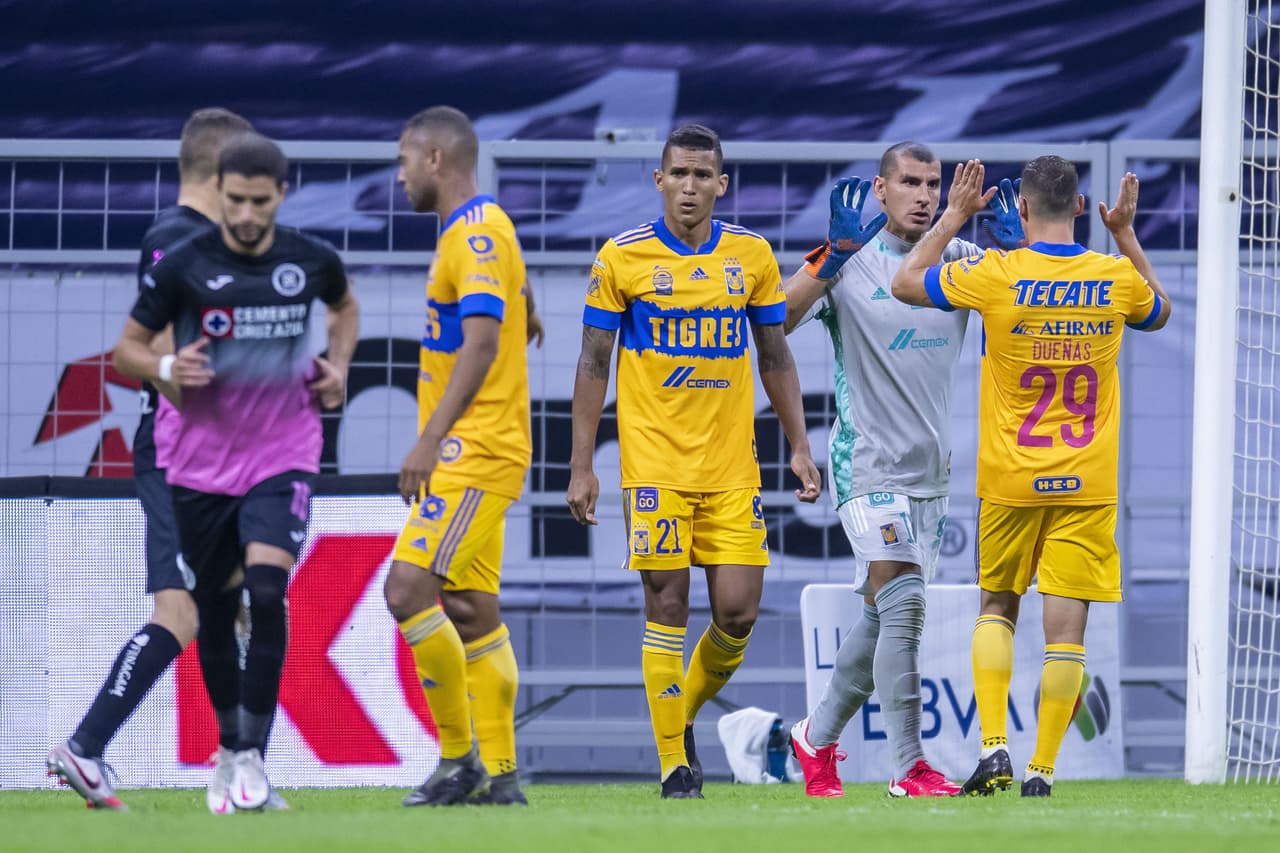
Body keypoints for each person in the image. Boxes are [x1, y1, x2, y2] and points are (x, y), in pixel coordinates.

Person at [891, 157, 1170, 797]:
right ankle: (1043, 770)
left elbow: (907, 281)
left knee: (997, 607)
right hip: (1086, 482)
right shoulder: (1112, 276)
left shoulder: (995, 274)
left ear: (1018, 210)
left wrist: (954, 215)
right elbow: (1160, 313)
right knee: (1066, 632)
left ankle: (994, 749)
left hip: (1012, 478)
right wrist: (1124, 233)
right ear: (1079, 207)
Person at [566, 124, 821, 799]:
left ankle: (672, 723)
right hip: (653, 466)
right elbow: (594, 363)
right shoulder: (622, 258)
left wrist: (798, 444)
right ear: (659, 179)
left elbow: (774, 355)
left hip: (733, 468)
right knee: (668, 602)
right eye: (678, 173)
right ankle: (675, 763)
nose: (689, 186)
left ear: (721, 184)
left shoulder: (752, 255)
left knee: (737, 613)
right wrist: (581, 465)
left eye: (702, 175)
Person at [104, 133, 358, 810]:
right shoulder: (182, 264)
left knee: (269, 591)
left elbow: (345, 306)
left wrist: (339, 362)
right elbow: (126, 349)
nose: (246, 214)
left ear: (282, 193)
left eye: (260, 201)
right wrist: (164, 367)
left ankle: (252, 754)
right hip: (198, 464)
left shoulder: (309, 260)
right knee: (216, 610)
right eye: (235, 199)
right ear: (220, 191)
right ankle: (231, 748)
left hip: (284, 452)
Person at [782, 142, 1025, 799]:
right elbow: (776, 317)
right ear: (880, 191)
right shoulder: (850, 260)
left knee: (884, 614)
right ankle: (910, 765)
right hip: (865, 463)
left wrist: (1018, 252)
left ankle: (814, 736)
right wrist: (829, 256)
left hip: (929, 474)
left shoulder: (964, 262)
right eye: (911, 183)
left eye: (934, 183)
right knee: (906, 600)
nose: (924, 195)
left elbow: (1026, 305)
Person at [44, 107, 267, 812]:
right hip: (178, 456)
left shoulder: (193, 240)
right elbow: (167, 358)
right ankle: (84, 747)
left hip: (206, 455)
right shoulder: (177, 239)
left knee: (228, 607)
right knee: (181, 612)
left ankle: (238, 766)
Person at [384, 105, 532, 807]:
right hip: (478, 447)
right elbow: (515, 303)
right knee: (472, 608)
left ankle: (458, 761)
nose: (401, 174)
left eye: (404, 160)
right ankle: (500, 776)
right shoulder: (485, 229)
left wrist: (426, 437)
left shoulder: (472, 233)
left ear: (435, 159)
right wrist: (526, 305)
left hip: (475, 449)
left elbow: (478, 341)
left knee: (407, 590)